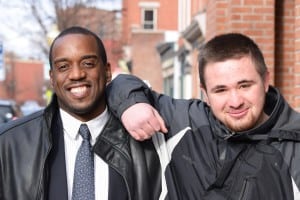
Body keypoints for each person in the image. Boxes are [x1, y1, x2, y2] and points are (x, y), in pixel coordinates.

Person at [106, 33, 300, 200]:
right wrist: (132, 105)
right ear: (205, 94)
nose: (235, 101)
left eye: (244, 86)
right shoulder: (186, 121)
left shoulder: (295, 147)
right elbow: (120, 83)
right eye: (221, 90)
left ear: (266, 81)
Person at [0, 26, 162, 200]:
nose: (76, 74)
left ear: (107, 72)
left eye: (88, 64)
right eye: (63, 67)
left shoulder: (148, 140)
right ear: (52, 78)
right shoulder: (9, 143)